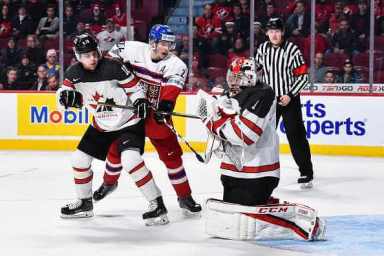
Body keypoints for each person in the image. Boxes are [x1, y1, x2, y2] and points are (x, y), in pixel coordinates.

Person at [200, 57, 326, 241]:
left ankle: (301, 224)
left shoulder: (264, 94)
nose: (232, 81)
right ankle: (277, 208)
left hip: (259, 172)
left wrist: (211, 121)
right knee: (232, 218)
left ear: (250, 77)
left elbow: (246, 135)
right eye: (231, 76)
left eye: (238, 77)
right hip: (232, 170)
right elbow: (224, 131)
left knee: (245, 221)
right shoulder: (228, 95)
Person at [59, 33, 168, 225]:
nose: (92, 58)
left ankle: (157, 204)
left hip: (128, 122)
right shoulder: (73, 74)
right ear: (77, 56)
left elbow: (135, 89)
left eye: (94, 53)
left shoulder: (114, 66)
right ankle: (85, 204)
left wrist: (140, 101)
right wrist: (64, 98)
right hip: (101, 124)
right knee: (79, 159)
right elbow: (63, 94)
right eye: (86, 55)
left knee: (131, 160)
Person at [95, 24, 202, 215]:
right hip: (130, 110)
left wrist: (165, 108)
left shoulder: (177, 65)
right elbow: (107, 62)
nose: (167, 48)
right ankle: (109, 183)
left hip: (154, 114)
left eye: (170, 44)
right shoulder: (130, 48)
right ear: (152, 42)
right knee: (115, 148)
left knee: (172, 156)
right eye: (164, 44)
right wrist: (118, 71)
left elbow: (172, 90)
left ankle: (184, 196)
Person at [255, 17, 314, 188]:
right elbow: (255, 72)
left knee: (296, 135)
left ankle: (306, 172)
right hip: (268, 101)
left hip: (289, 100)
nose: (274, 35)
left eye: (277, 31)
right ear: (266, 33)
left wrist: (290, 94)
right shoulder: (262, 49)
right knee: (263, 136)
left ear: (282, 33)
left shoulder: (292, 50)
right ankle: (261, 170)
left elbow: (303, 77)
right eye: (271, 31)